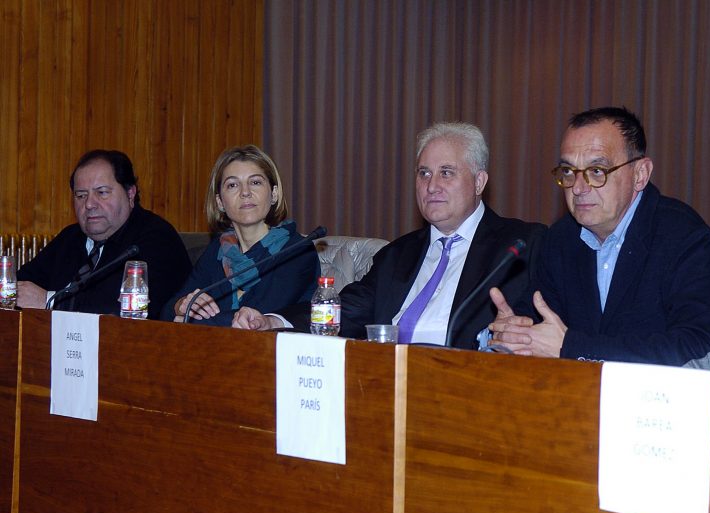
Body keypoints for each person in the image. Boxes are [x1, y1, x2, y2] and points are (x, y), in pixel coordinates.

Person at [232, 122, 547, 349]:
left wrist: (515, 334)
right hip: (383, 381)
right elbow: (348, 307)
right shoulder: (399, 253)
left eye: (446, 173)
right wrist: (275, 321)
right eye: (424, 173)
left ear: (479, 182)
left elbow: (533, 321)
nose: (431, 185)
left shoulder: (520, 246)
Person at [489, 106, 710, 371]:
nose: (579, 188)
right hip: (580, 401)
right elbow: (539, 322)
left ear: (640, 174)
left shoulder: (682, 234)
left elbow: (702, 351)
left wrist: (572, 348)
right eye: (569, 172)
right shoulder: (563, 238)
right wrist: (515, 333)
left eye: (597, 171)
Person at [17, 149, 191, 318]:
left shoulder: (158, 239)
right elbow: (22, 284)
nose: (89, 204)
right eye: (81, 195)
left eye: (102, 193)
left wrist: (49, 302)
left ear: (130, 194)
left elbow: (121, 310)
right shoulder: (70, 237)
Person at [161, 144, 320, 326]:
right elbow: (166, 313)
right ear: (220, 201)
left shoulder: (296, 250)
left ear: (274, 194)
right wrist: (181, 306)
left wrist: (192, 320)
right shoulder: (219, 250)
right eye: (233, 185)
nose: (245, 193)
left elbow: (255, 319)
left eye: (255, 182)